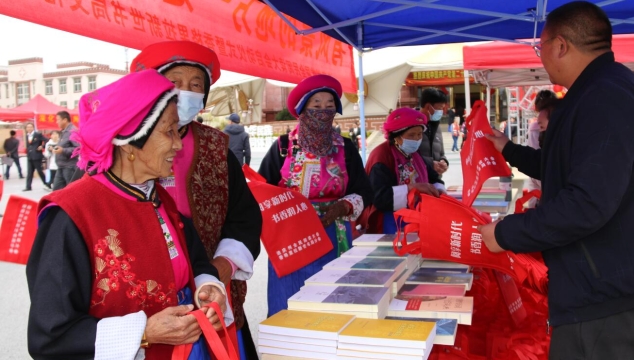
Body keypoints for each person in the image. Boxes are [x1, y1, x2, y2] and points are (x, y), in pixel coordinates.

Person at [27, 70, 232, 359]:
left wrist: (206, 286)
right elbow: (50, 336)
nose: (177, 143)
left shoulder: (160, 199)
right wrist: (144, 332)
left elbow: (196, 259)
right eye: (169, 131)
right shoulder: (70, 215)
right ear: (131, 139)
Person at [478, 2, 634, 359]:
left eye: (541, 45)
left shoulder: (605, 97)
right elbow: (563, 166)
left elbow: (587, 202)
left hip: (604, 296)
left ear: (561, 45)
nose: (541, 55)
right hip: (596, 285)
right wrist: (508, 149)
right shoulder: (595, 91)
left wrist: (506, 233)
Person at [130, 40, 262, 358]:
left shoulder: (218, 147)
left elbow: (244, 216)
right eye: (174, 83)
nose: (185, 92)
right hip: (145, 292)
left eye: (195, 85)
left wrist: (223, 266)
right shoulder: (127, 146)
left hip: (211, 283)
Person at [258, 74, 373, 317]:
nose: (323, 111)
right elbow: (262, 193)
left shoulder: (346, 147)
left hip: (336, 233)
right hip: (292, 238)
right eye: (316, 105)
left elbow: (364, 191)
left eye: (330, 106)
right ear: (302, 110)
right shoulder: (281, 147)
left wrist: (343, 206)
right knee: (290, 305)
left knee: (333, 302)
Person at [361, 107, 445, 234]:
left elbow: (433, 178)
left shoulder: (414, 154)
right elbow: (379, 198)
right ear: (396, 136)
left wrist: (438, 190)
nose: (417, 139)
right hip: (390, 222)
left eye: (419, 134)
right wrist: (412, 188)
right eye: (411, 135)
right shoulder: (381, 156)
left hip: (417, 217)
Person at [416, 88, 449, 176]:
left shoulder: (436, 126)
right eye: (439, 108)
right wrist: (430, 163)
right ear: (428, 106)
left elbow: (441, 153)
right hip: (419, 178)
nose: (441, 112)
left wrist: (444, 161)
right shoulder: (411, 126)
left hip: (436, 178)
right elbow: (407, 155)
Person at [51, 110, 80, 190]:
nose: (57, 122)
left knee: (71, 191)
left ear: (65, 120)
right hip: (61, 166)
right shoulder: (64, 132)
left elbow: (78, 149)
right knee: (56, 191)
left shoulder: (72, 131)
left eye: (58, 120)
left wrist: (63, 150)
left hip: (69, 167)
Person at [23, 122, 51, 191]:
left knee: (39, 171)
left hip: (37, 155)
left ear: (33, 128)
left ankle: (47, 184)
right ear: (26, 129)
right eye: (27, 127)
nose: (29, 128)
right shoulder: (27, 135)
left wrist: (42, 146)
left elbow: (47, 140)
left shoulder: (37, 134)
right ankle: (28, 186)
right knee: (29, 172)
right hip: (30, 156)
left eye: (30, 127)